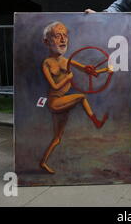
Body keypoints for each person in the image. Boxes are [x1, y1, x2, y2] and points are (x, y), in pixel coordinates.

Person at [40, 21, 113, 174]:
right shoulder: (47, 63)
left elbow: (89, 71)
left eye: (65, 36)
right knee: (81, 96)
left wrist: (106, 69)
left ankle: (43, 162)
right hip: (54, 102)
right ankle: (96, 122)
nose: (62, 39)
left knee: (57, 138)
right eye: (57, 36)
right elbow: (54, 86)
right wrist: (68, 78)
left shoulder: (67, 61)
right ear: (46, 41)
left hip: (62, 102)